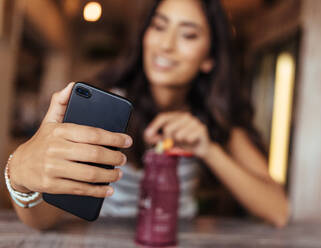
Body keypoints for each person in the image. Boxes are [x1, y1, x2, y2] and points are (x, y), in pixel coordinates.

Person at [6, 0, 289, 230]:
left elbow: (278, 211)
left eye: (188, 34)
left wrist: (209, 149)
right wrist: (19, 174)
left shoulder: (213, 117)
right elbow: (44, 220)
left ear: (209, 58)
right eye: (159, 27)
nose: (166, 45)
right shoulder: (106, 108)